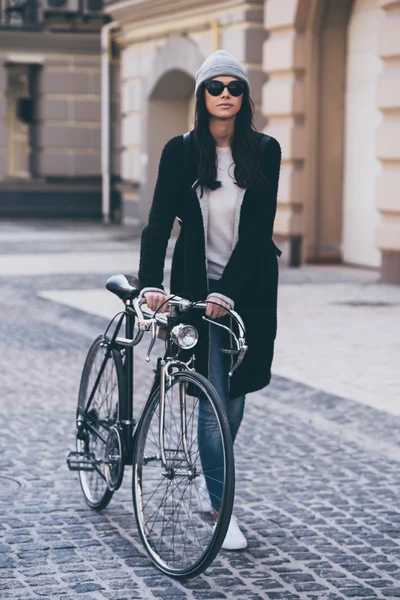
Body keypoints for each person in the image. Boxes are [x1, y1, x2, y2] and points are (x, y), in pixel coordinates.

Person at [138, 49, 282, 550]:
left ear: (245, 97)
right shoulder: (180, 151)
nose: (225, 95)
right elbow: (159, 225)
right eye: (215, 87)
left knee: (235, 398)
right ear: (202, 95)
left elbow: (259, 230)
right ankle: (222, 509)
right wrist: (149, 285)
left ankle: (209, 478)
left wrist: (230, 291)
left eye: (234, 87)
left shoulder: (265, 149)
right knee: (211, 395)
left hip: (250, 290)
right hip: (195, 292)